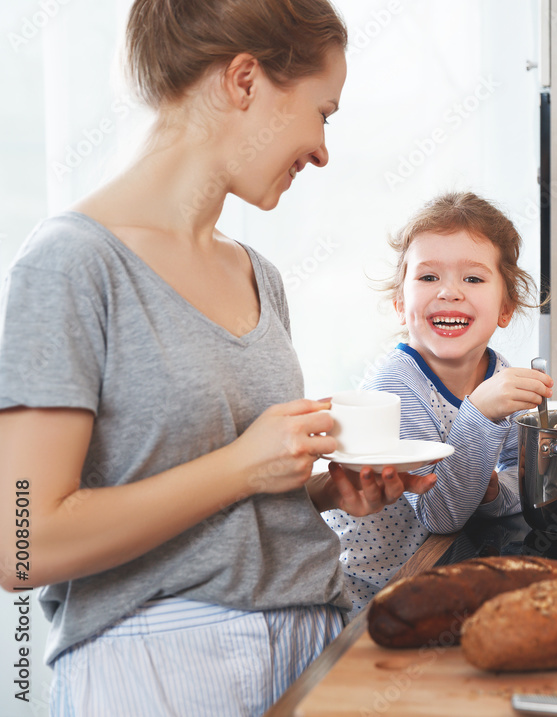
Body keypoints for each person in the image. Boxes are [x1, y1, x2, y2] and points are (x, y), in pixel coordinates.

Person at [0, 1, 434, 714]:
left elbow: (222, 494)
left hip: (312, 641)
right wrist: (241, 466)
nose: (324, 150)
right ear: (243, 81)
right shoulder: (70, 264)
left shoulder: (257, 273)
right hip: (157, 668)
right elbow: (22, 544)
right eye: (322, 112)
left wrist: (320, 491)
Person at [325, 192, 553, 617]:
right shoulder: (395, 388)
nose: (449, 292)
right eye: (428, 278)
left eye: (473, 279)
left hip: (432, 578)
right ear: (399, 304)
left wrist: (490, 495)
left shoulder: (499, 374)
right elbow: (440, 514)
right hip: (367, 594)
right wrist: (480, 414)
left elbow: (518, 483)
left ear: (505, 308)